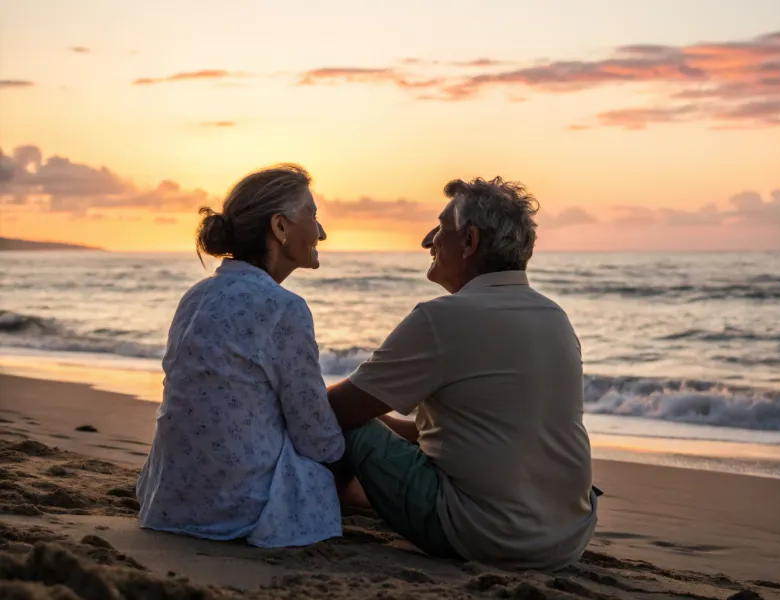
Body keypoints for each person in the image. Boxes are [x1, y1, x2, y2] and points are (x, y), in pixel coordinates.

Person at [328, 176, 597, 570]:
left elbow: (339, 411)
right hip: (569, 536)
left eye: (440, 228)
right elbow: (464, 435)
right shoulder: (555, 317)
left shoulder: (441, 318)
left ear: (469, 242)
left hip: (484, 537)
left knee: (345, 425)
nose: (428, 242)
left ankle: (319, 507)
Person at [137, 165, 345, 548]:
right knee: (344, 447)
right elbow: (319, 441)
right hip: (238, 510)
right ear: (280, 228)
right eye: (313, 216)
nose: (321, 232)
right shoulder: (284, 308)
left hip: (169, 501)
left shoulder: (197, 296)